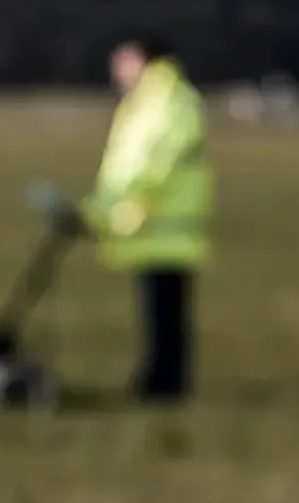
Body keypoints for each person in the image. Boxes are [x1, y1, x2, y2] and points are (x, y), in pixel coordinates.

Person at [84, 35, 211, 402]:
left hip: (165, 225)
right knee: (156, 309)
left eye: (123, 62)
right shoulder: (146, 102)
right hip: (148, 224)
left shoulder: (171, 102)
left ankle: (166, 382)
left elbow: (157, 163)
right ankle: (157, 375)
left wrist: (125, 204)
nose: (117, 71)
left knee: (167, 310)